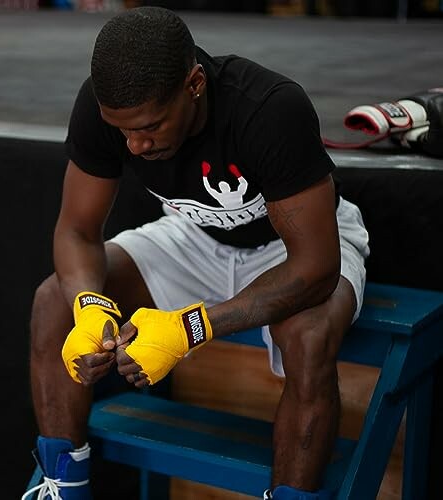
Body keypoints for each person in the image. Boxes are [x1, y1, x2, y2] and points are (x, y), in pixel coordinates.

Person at [25, 6, 369, 500]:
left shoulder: (269, 107)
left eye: (150, 127)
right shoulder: (108, 109)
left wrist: (190, 327)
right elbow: (77, 231)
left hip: (294, 247)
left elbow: (314, 268)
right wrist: (88, 305)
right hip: (194, 236)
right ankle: (64, 485)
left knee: (309, 334)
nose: (136, 145)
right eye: (123, 131)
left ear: (194, 84)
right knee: (52, 301)